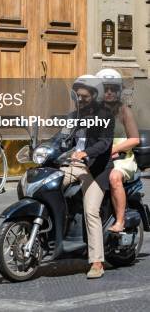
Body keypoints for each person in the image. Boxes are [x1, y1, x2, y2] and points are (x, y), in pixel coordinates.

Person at [59, 75, 114, 279]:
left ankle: (97, 262)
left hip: (96, 168)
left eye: (84, 96)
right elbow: (61, 137)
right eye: (77, 96)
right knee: (42, 185)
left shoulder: (105, 115)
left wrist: (86, 153)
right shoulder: (73, 116)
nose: (80, 99)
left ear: (94, 95)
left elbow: (104, 144)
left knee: (91, 211)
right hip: (73, 165)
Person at [96, 68, 140, 233]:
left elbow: (134, 139)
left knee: (114, 177)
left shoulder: (124, 111)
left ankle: (120, 221)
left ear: (118, 91)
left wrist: (113, 148)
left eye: (113, 89)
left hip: (121, 159)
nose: (109, 92)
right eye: (105, 88)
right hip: (98, 157)